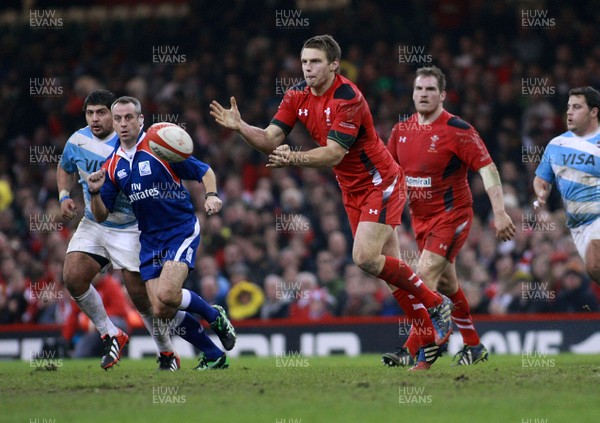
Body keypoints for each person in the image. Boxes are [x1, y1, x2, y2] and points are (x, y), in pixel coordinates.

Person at [210, 34, 453, 370]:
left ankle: (436, 303)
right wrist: (240, 127)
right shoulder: (296, 94)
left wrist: (293, 160)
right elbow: (269, 139)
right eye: (304, 61)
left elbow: (334, 153)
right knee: (391, 274)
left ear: (334, 65)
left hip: (380, 183)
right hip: (351, 189)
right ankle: (427, 343)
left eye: (315, 62)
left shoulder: (348, 97)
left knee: (365, 258)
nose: (308, 68)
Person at [88, 96, 236, 370]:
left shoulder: (160, 145)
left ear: (140, 119)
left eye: (129, 117)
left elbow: (204, 170)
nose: (123, 124)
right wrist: (95, 192)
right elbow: (101, 214)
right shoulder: (112, 165)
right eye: (118, 119)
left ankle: (213, 316)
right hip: (149, 239)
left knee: (168, 294)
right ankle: (214, 355)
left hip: (180, 229)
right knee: (160, 311)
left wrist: (212, 195)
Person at [384, 66, 516, 367]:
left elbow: (488, 169)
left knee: (424, 274)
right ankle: (473, 346)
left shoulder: (458, 130)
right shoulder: (400, 131)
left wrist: (500, 212)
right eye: (419, 89)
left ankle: (413, 350)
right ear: (413, 93)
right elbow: (389, 174)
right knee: (446, 286)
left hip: (452, 215)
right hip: (420, 220)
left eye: (431, 90)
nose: (424, 95)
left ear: (442, 95)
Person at [57, 90, 179, 370]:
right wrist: (64, 195)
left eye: (101, 113)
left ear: (113, 115)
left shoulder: (131, 141)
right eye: (90, 113)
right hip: (94, 222)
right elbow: (64, 167)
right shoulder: (77, 140)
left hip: (131, 227)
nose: (95, 119)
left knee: (140, 296)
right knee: (73, 277)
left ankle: (167, 352)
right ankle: (111, 333)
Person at [534, 86, 600, 286]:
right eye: (569, 107)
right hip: (577, 224)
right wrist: (541, 191)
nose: (569, 112)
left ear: (594, 111)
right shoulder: (557, 144)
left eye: (577, 107)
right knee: (594, 271)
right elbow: (541, 178)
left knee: (594, 264)